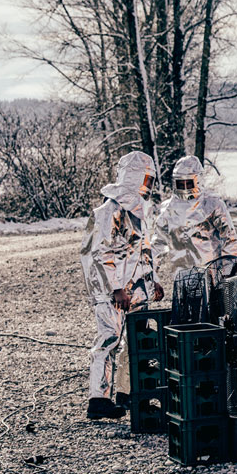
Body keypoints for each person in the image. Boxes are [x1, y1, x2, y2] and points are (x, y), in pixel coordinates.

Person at [80, 150, 164, 420]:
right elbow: (101, 253)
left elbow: (142, 252)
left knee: (135, 343)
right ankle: (98, 399)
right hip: (112, 292)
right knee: (108, 340)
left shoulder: (139, 212)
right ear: (134, 177)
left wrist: (153, 281)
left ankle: (129, 393)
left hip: (135, 290)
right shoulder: (109, 211)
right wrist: (115, 287)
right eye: (146, 180)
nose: (148, 187)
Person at [152, 155, 237, 272]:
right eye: (181, 184)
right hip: (181, 276)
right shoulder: (168, 209)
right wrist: (152, 273)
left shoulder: (212, 204)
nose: (185, 187)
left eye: (188, 183)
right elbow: (158, 242)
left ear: (198, 180)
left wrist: (229, 270)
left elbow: (229, 237)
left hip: (211, 272)